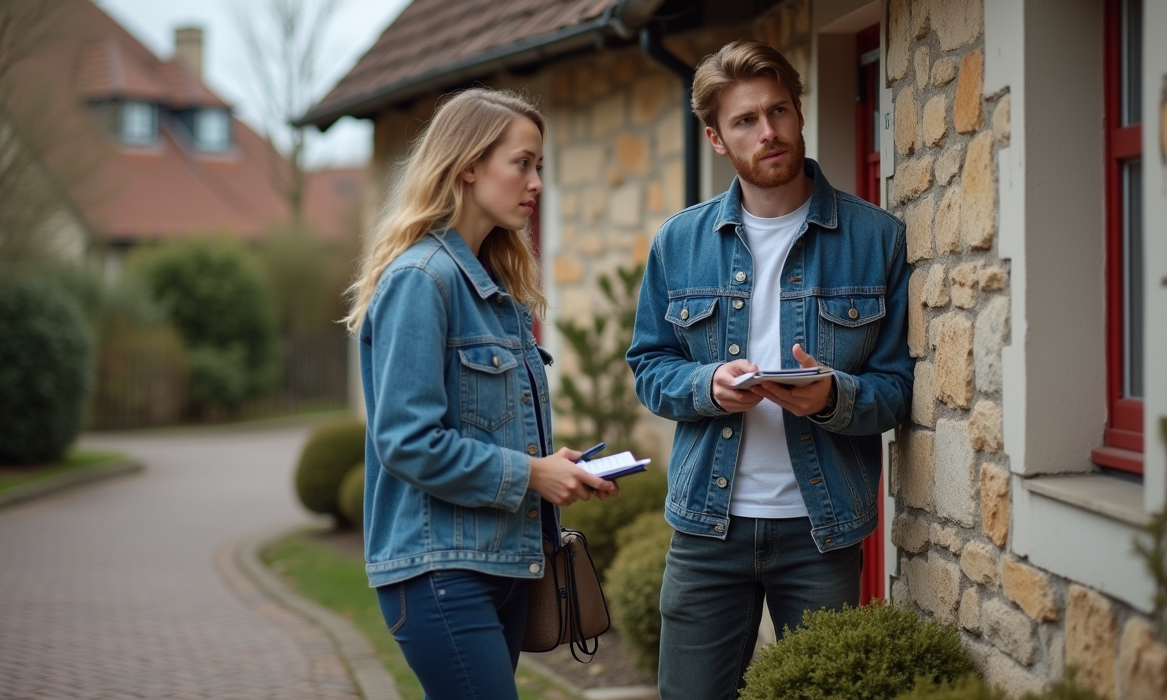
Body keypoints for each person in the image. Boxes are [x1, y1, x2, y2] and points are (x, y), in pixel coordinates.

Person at [626, 40, 915, 700]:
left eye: (778, 110)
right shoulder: (680, 242)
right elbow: (650, 366)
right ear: (716, 138)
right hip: (705, 528)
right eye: (745, 121)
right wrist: (707, 385)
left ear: (800, 112)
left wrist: (832, 397)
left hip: (821, 530)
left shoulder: (876, 240)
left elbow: (897, 390)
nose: (769, 132)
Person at [344, 87, 618, 700]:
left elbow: (489, 430)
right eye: (522, 163)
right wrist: (530, 474)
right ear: (468, 165)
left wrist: (557, 468)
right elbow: (407, 442)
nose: (536, 182)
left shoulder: (493, 289)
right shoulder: (422, 280)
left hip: (504, 565)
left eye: (538, 165)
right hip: (440, 571)